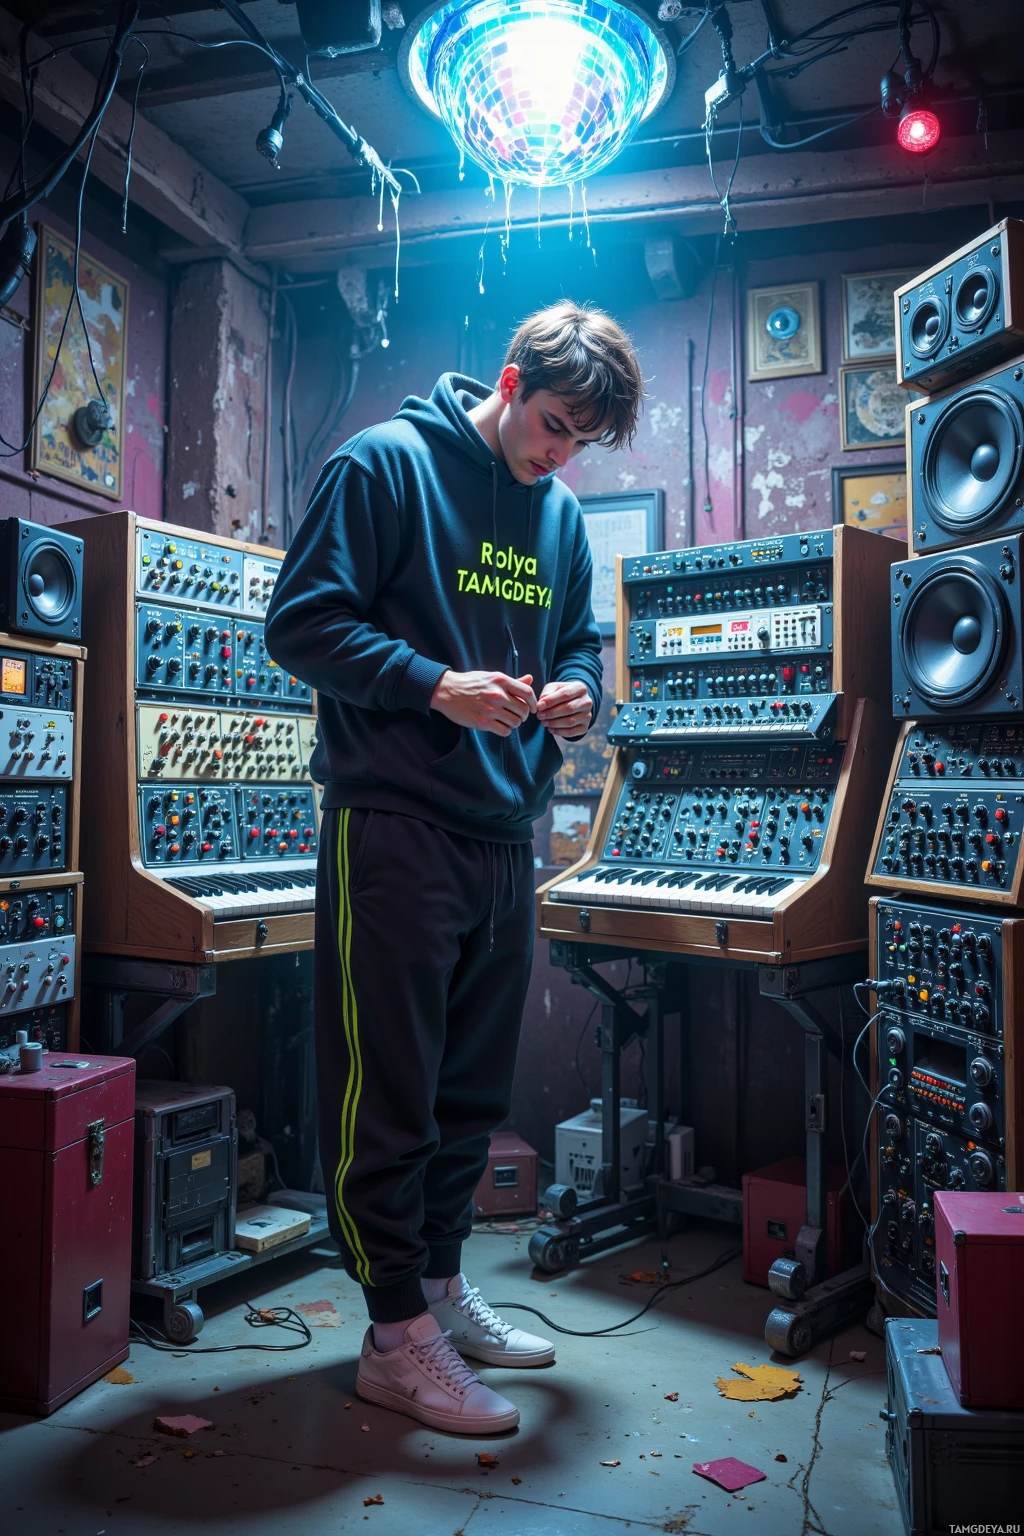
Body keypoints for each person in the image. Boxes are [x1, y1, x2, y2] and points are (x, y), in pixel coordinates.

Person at [265, 301, 644, 1435]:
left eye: (583, 441)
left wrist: (581, 696)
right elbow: (299, 625)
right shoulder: (381, 464)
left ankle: (436, 1290)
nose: (561, 454)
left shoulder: (559, 515)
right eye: (555, 424)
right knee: (387, 1090)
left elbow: (579, 645)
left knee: (468, 1093)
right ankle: (393, 1338)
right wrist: (435, 684)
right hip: (392, 821)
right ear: (510, 380)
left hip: (502, 831)